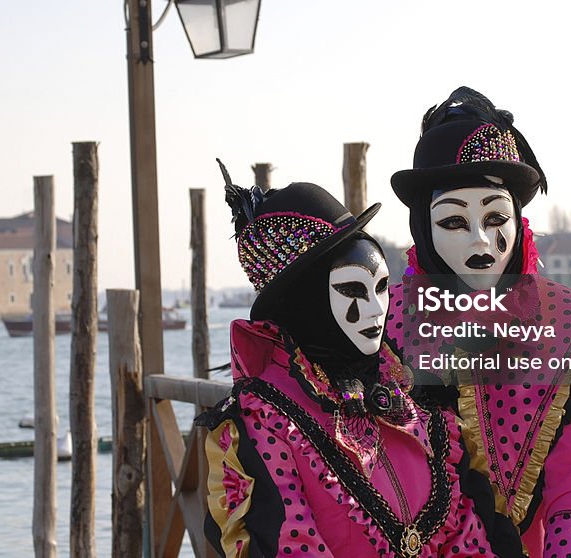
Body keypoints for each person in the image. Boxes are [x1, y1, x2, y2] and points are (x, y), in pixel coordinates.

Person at [385, 88, 571, 558]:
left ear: (519, 221)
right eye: (455, 222)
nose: (482, 241)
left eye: (497, 217)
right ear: (423, 227)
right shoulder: (380, 328)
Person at [200, 163, 525, 558]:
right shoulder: (262, 422)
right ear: (306, 302)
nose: (375, 310)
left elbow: (475, 530)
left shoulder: (418, 399)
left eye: (382, 287)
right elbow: (287, 544)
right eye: (353, 290)